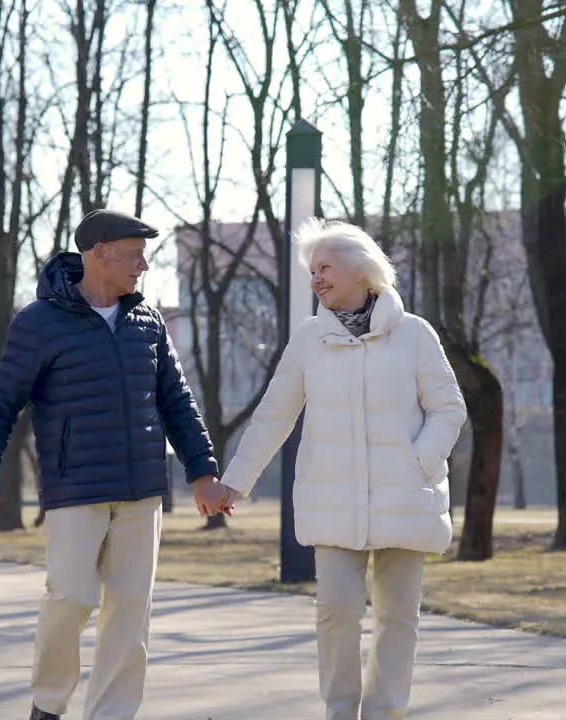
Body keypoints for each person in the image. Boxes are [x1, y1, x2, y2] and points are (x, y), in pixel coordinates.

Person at [0, 208, 232, 720]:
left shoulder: (146, 321)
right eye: (135, 255)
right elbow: (0, 402)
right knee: (71, 599)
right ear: (100, 253)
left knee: (130, 613)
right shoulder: (39, 322)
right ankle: (48, 701)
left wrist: (203, 471)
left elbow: (177, 401)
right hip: (75, 487)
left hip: (142, 490)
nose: (143, 266)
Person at [218, 218, 466, 720]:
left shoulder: (415, 335)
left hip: (405, 498)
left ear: (361, 268)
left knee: (398, 618)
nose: (317, 280)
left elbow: (448, 408)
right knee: (336, 613)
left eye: (325, 267)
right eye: (313, 271)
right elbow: (273, 415)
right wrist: (235, 481)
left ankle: (383, 712)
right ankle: (339, 711)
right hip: (332, 503)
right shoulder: (309, 339)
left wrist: (420, 460)